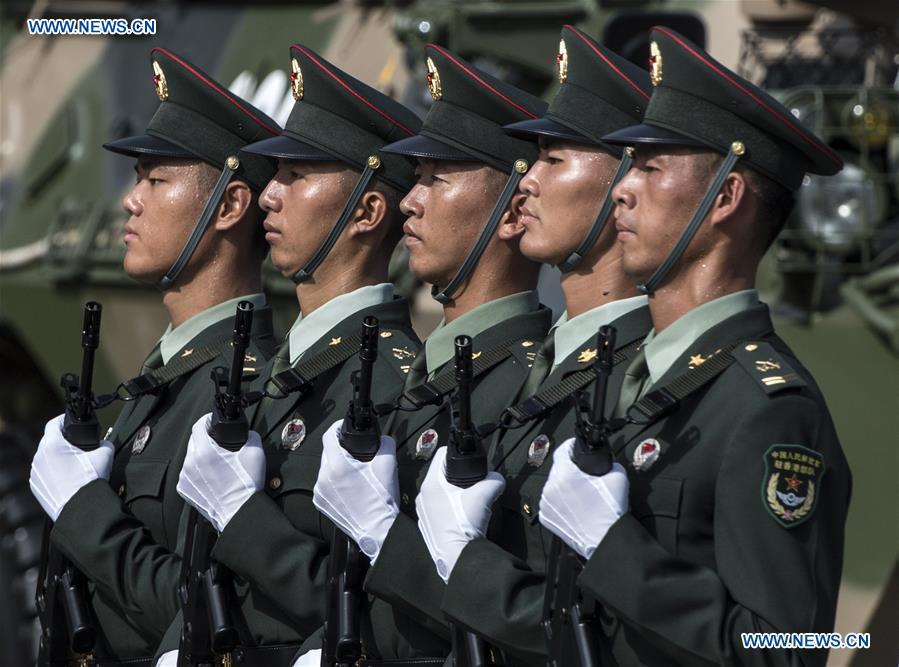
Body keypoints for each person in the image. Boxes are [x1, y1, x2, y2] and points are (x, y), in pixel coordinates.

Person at [538, 26, 851, 666]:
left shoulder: (766, 410)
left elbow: (787, 651)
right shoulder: (628, 376)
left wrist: (615, 549)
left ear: (726, 197)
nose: (622, 187)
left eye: (651, 168)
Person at [394, 26, 655, 666]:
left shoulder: (647, 386)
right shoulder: (544, 374)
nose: (527, 181)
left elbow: (780, 644)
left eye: (553, 159)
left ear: (623, 187)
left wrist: (392, 544)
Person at [157, 43, 423, 667]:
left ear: (367, 209)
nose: (268, 197)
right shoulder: (272, 374)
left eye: (295, 175)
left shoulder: (390, 380)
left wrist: (242, 517)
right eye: (273, 175)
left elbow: (368, 602)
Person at [28, 48, 280, 666]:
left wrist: (85, 514)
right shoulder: (160, 381)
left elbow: (214, 611)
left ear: (228, 207)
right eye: (137, 178)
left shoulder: (247, 392)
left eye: (155, 179)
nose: (129, 201)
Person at [308, 44, 552, 663]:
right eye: (412, 178)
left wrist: (387, 539)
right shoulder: (427, 378)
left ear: (512, 211)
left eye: (435, 178)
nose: (409, 201)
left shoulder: (530, 393)